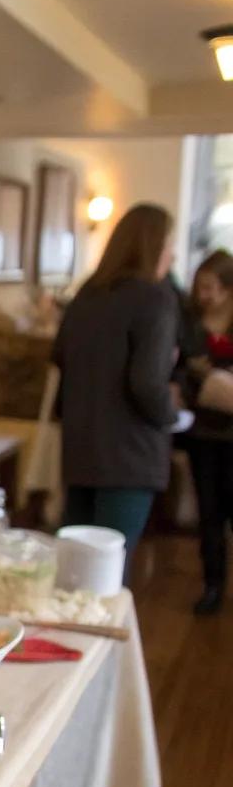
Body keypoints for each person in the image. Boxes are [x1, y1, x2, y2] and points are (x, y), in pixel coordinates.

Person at [51, 203, 177, 583]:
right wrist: (171, 415)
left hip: (81, 449)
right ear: (153, 246)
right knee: (107, 576)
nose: (172, 255)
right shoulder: (153, 299)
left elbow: (59, 357)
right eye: (169, 244)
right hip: (128, 455)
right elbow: (147, 383)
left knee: (72, 574)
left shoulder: (86, 296)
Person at [177, 249, 233, 615]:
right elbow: (175, 369)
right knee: (209, 513)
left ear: (228, 289)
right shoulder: (189, 323)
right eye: (200, 287)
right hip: (202, 433)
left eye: (210, 288)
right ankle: (212, 585)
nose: (203, 295)